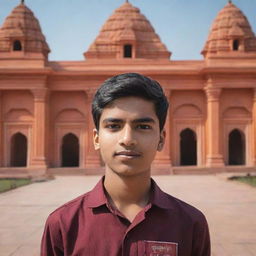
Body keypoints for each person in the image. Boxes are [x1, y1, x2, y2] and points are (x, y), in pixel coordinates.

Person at [41, 73, 210, 256]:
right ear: (97, 139)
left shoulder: (191, 224)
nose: (128, 139)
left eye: (143, 127)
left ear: (161, 139)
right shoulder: (62, 224)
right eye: (114, 126)